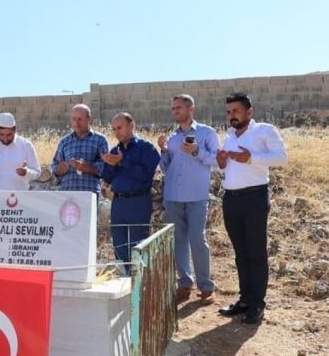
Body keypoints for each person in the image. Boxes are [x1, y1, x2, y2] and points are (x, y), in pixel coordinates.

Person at [216, 93, 287, 324]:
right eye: (229, 112)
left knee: (256, 253)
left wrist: (250, 158)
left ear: (249, 111)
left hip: (254, 197)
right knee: (241, 253)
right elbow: (227, 167)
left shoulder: (264, 130)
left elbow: (281, 158)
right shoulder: (228, 135)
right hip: (231, 199)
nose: (232, 116)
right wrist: (222, 163)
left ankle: (257, 304)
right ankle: (245, 300)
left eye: (236, 111)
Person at [158, 94, 219, 305]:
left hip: (196, 196)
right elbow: (166, 168)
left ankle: (206, 287)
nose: (175, 111)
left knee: (197, 239)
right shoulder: (172, 137)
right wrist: (163, 151)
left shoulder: (206, 133)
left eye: (179, 107)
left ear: (191, 108)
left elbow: (217, 161)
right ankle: (184, 284)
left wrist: (197, 151)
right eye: (173, 108)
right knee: (178, 241)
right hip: (173, 196)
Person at [102, 112, 160, 270]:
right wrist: (111, 164)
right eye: (114, 129)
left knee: (138, 244)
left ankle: (139, 280)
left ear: (131, 125)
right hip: (118, 202)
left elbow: (146, 174)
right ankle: (124, 278)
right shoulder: (114, 150)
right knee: (119, 244)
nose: (116, 132)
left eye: (119, 127)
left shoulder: (146, 148)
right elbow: (107, 177)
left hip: (138, 201)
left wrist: (122, 162)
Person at [51, 104, 108, 198]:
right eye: (74, 119)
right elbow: (54, 165)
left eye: (80, 119)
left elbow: (106, 167)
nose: (76, 123)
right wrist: (59, 170)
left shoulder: (100, 140)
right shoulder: (64, 141)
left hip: (89, 194)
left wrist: (87, 167)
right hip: (67, 194)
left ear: (89, 119)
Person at [0, 112, 40, 190]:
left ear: (15, 130)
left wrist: (26, 172)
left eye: (9, 135)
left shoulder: (26, 145)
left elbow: (37, 172)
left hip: (18, 195)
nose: (5, 139)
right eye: (1, 135)